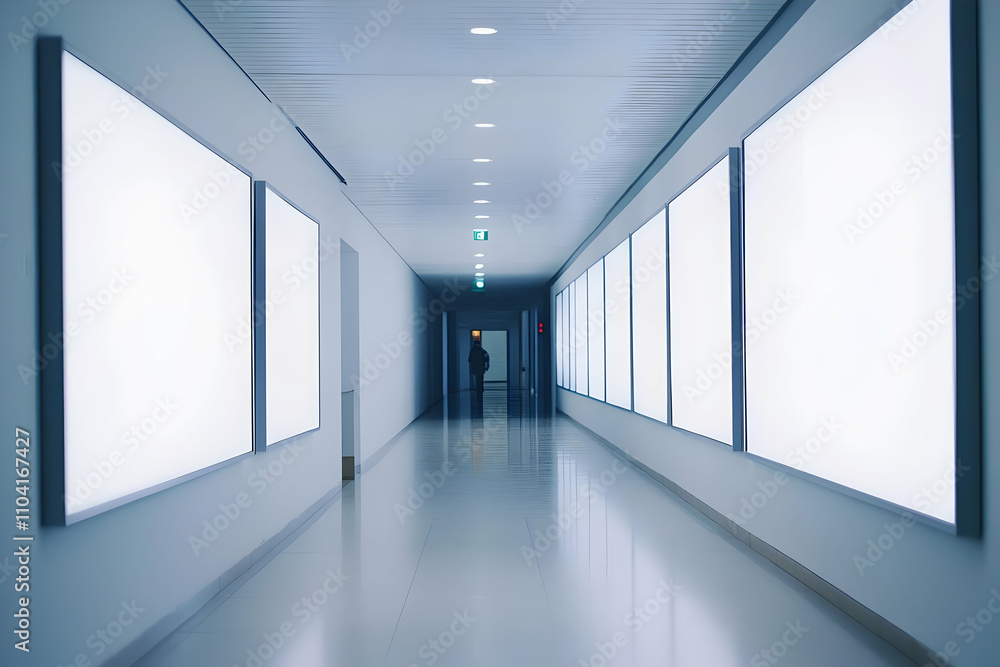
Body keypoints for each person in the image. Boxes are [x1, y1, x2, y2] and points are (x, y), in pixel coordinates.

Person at [468, 340, 490, 407]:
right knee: (481, 379)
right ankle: (481, 388)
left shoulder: (472, 351)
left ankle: (478, 389)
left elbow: (469, 360)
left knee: (477, 379)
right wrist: (486, 367)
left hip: (475, 368)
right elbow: (486, 358)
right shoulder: (482, 350)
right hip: (481, 368)